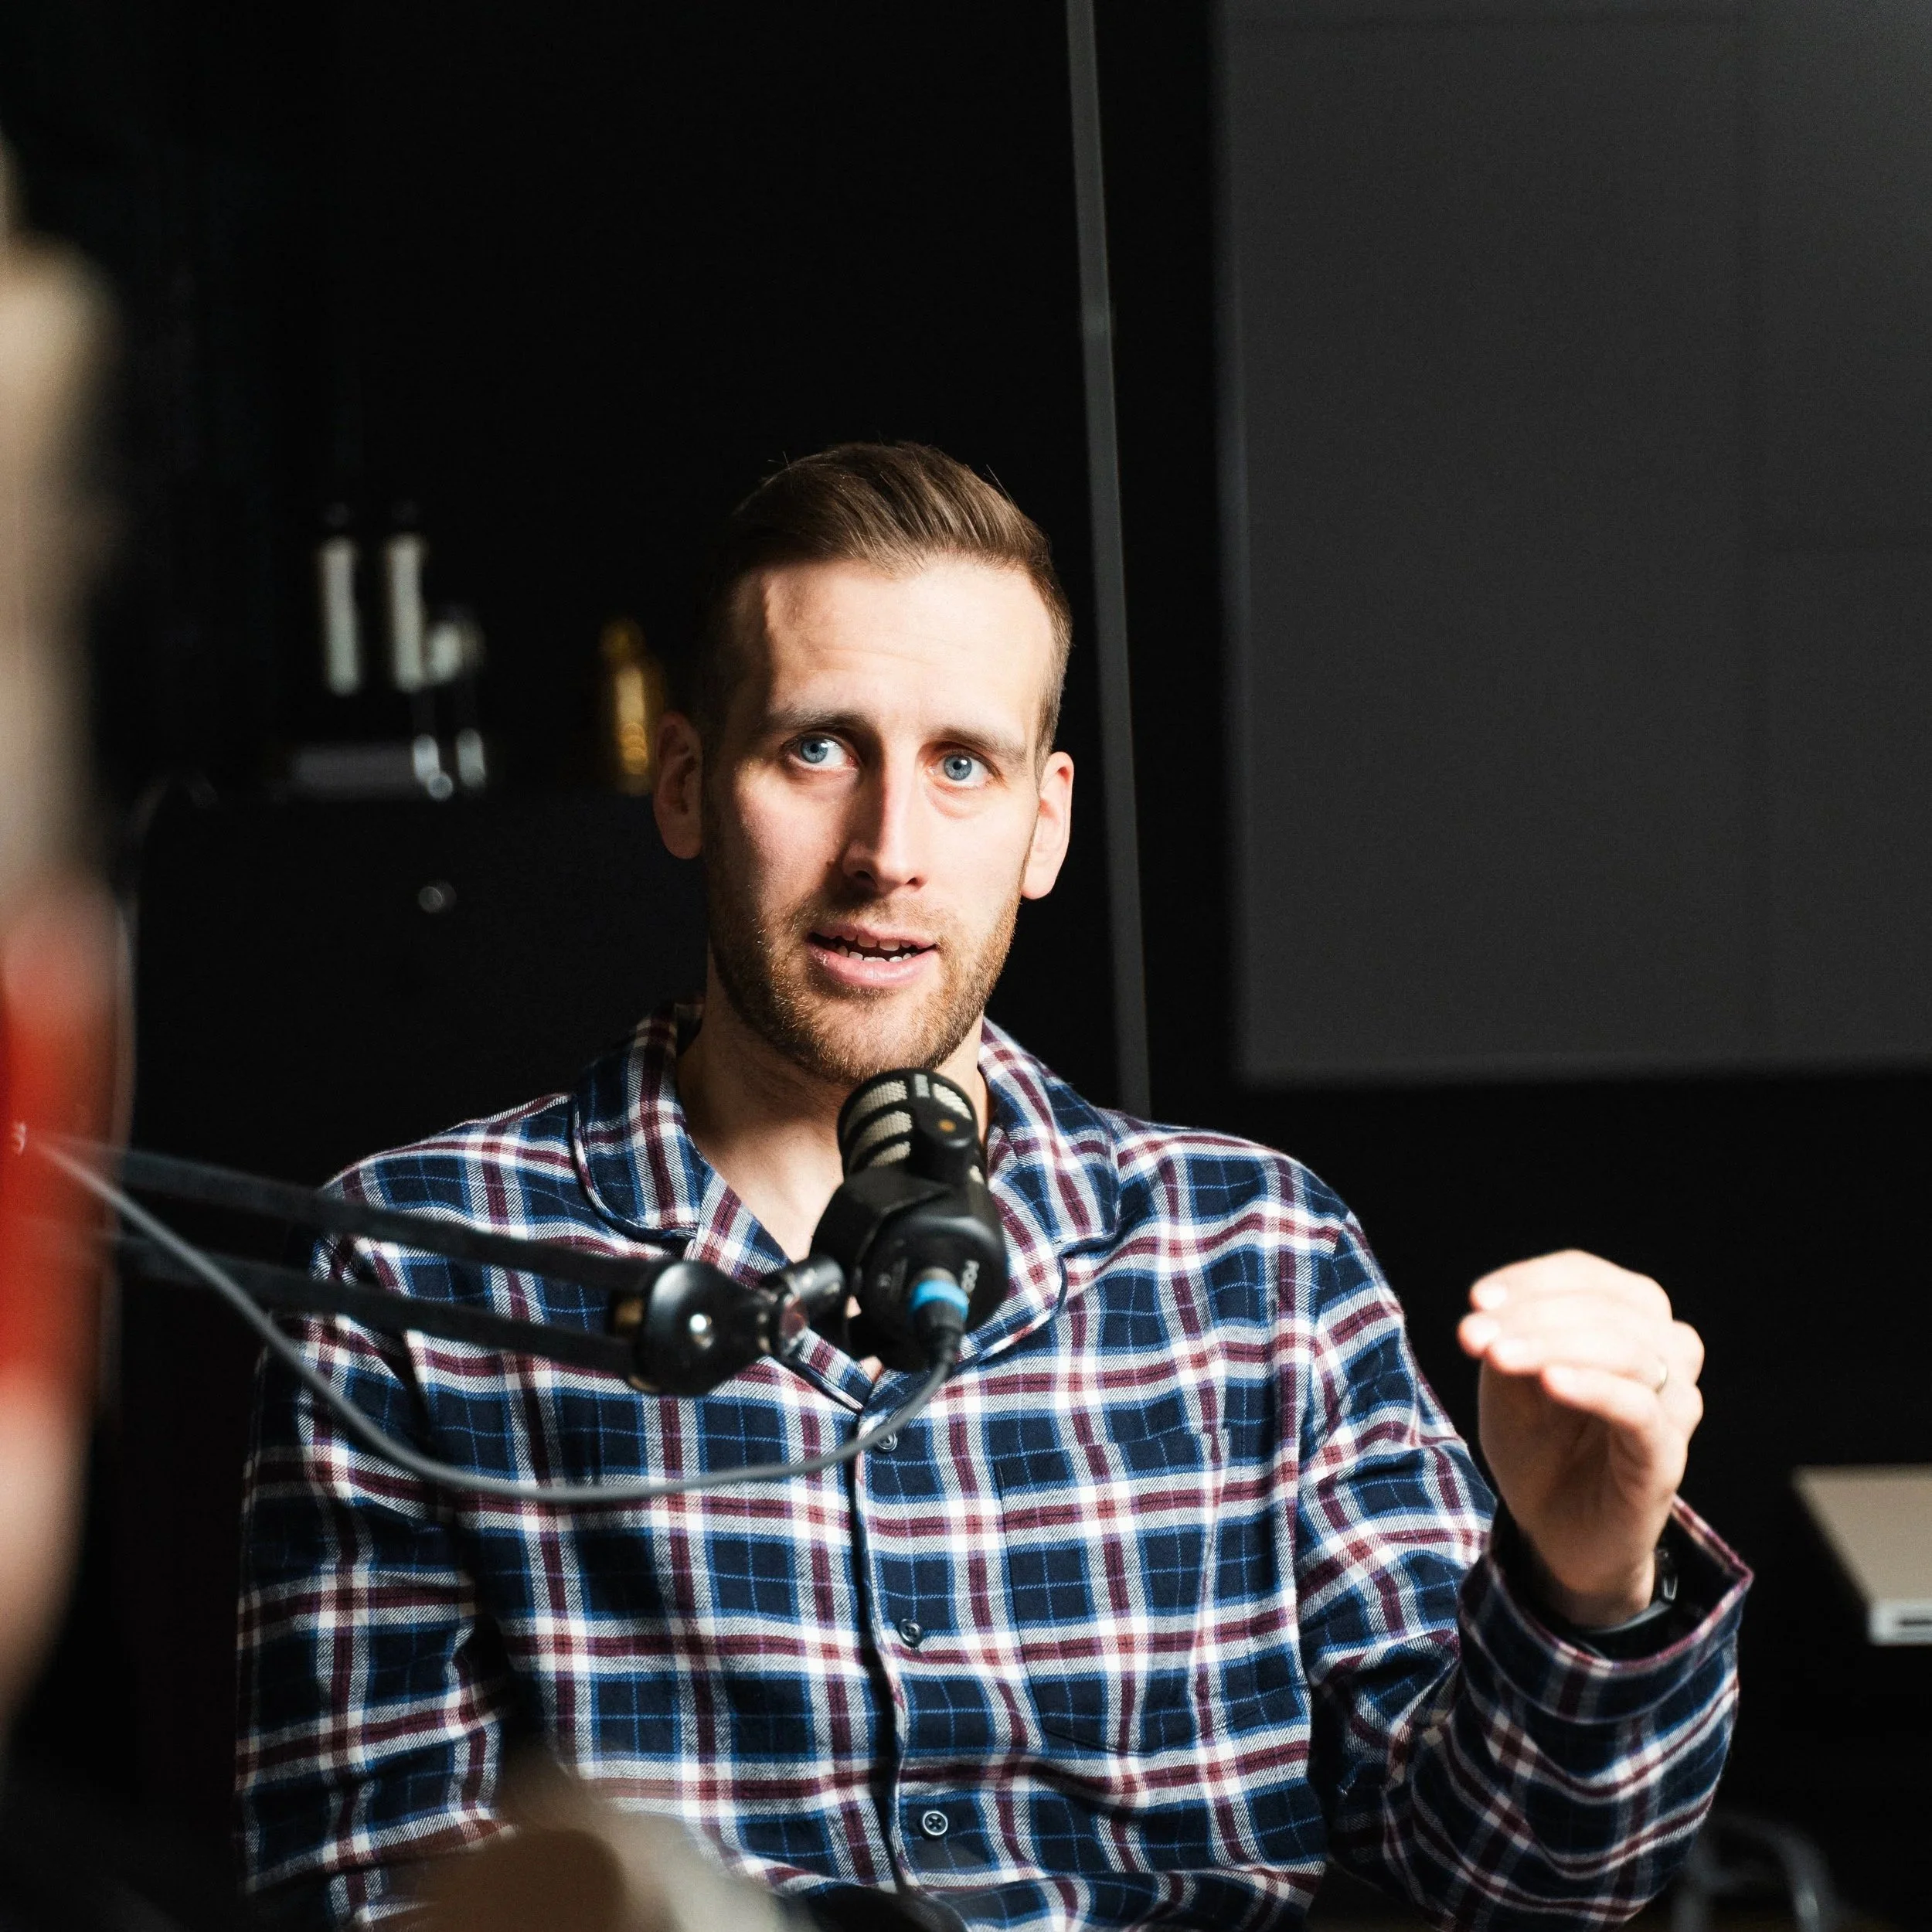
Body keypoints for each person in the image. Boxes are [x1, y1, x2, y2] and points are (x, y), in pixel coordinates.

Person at [238, 442, 1748, 1931]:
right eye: (817, 747)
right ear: (688, 782)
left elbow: (1511, 1875)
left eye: (963, 764)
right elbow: (367, 1897)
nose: (889, 851)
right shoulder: (415, 1271)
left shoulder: (1258, 1257)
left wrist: (1583, 1578)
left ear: (1046, 821)